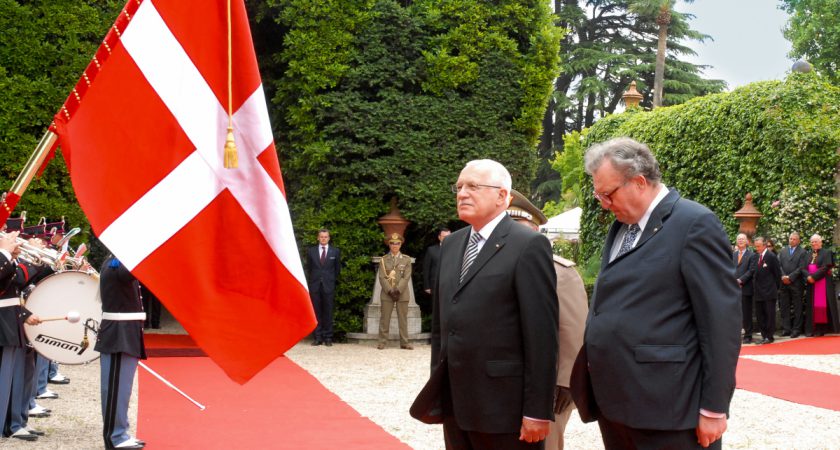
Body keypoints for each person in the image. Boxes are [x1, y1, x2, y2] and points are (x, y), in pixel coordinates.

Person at [571, 137, 740, 449]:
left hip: (669, 408)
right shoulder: (621, 227)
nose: (604, 204)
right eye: (599, 195)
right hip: (618, 404)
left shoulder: (694, 223)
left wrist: (714, 407)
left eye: (608, 194)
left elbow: (721, 322)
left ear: (638, 182)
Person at [411, 159, 558, 449]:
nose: (462, 193)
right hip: (456, 402)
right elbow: (442, 327)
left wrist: (537, 410)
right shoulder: (452, 245)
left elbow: (542, 337)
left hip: (505, 407)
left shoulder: (528, 245)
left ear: (503, 196)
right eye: (459, 186)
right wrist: (439, 391)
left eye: (473, 186)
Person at [507, 189, 587, 450]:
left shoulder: (559, 271)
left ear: (534, 230)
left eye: (516, 227)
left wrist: (566, 383)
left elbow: (574, 331)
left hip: (548, 389)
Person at [97, 254, 146, 449]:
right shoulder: (117, 263)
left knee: (121, 389)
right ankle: (115, 436)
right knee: (116, 389)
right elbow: (131, 271)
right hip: (119, 332)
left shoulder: (116, 261)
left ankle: (120, 431)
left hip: (125, 330)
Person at [377, 233, 413, 350]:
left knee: (403, 319)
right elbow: (382, 277)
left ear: (401, 244)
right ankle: (382, 342)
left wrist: (397, 290)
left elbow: (406, 277)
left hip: (402, 293)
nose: (395, 245)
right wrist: (390, 290)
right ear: (389, 245)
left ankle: (404, 342)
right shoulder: (383, 259)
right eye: (392, 243)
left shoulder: (406, 259)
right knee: (385, 318)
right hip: (387, 293)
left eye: (397, 243)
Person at [306, 229, 341, 346]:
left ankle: (328, 337)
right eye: (321, 237)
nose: (323, 239)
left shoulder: (335, 252)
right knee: (316, 312)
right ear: (318, 238)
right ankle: (317, 337)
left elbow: (337, 270)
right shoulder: (311, 251)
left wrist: (330, 280)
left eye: (325, 237)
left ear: (329, 238)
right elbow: (309, 269)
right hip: (315, 285)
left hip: (328, 286)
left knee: (328, 312)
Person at [804, 234, 839, 336]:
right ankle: (812, 329)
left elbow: (825, 267)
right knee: (812, 306)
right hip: (811, 283)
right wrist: (808, 277)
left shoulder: (826, 253)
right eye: (812, 242)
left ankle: (822, 329)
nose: (814, 243)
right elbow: (802, 268)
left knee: (822, 305)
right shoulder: (808, 254)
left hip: (822, 282)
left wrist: (813, 277)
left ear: (821, 242)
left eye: (816, 241)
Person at [751, 236, 782, 344]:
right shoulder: (755, 256)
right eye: (756, 246)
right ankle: (764, 336)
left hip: (769, 291)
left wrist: (775, 288)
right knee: (760, 315)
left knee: (769, 314)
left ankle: (769, 336)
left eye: (759, 246)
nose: (757, 248)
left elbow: (777, 274)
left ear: (764, 245)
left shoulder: (771, 256)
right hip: (758, 291)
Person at [779, 232, 807, 337]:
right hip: (783, 283)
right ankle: (786, 329)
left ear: (798, 241)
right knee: (784, 306)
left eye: (794, 239)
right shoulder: (783, 251)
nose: (792, 240)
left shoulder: (803, 252)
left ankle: (796, 329)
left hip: (796, 283)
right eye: (790, 238)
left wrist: (790, 277)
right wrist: (783, 276)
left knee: (797, 307)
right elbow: (779, 265)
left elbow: (801, 267)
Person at [733, 233, 756, 343]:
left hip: (745, 287)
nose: (740, 241)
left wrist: (740, 280)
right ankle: (736, 334)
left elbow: (751, 270)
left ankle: (748, 335)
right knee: (735, 312)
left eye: (742, 239)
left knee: (746, 312)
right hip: (733, 288)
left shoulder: (751, 255)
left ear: (747, 241)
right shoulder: (733, 254)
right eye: (739, 239)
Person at [422, 228, 451, 296]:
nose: (447, 238)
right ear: (439, 237)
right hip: (435, 285)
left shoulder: (456, 250)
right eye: (444, 237)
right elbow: (426, 269)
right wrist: (427, 286)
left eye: (449, 236)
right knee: (436, 306)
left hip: (451, 285)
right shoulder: (431, 250)